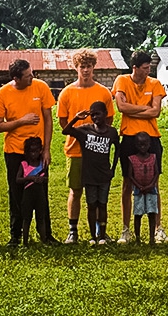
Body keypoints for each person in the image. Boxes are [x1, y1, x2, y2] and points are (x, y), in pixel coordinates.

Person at [0, 58, 55, 247]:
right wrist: (22, 121)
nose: (32, 78)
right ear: (16, 78)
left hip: (37, 153)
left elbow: (48, 120)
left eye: (32, 73)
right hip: (15, 152)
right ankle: (16, 236)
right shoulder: (2, 94)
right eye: (28, 76)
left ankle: (46, 235)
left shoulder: (41, 87)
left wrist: (47, 149)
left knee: (41, 192)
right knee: (16, 193)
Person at [56, 49, 115, 244]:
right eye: (83, 67)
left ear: (94, 68)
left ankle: (99, 231)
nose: (86, 70)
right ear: (76, 68)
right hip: (75, 150)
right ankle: (73, 230)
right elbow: (63, 122)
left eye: (89, 66)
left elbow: (110, 120)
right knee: (75, 190)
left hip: (97, 151)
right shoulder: (67, 92)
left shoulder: (103, 92)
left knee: (98, 192)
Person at [112, 51, 168, 243]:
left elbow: (156, 111)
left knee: (154, 183)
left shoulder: (155, 84)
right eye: (145, 68)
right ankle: (126, 230)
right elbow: (121, 107)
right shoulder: (121, 80)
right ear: (134, 67)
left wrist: (134, 109)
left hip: (151, 137)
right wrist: (145, 109)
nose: (148, 71)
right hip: (129, 137)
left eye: (149, 68)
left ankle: (157, 229)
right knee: (127, 182)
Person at [61, 102, 122, 245]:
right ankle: (92, 237)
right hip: (89, 175)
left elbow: (117, 149)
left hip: (104, 175)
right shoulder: (85, 130)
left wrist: (112, 169)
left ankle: (102, 235)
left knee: (103, 204)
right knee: (91, 204)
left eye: (98, 114)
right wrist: (76, 118)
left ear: (105, 114)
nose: (95, 117)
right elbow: (66, 131)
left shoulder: (111, 132)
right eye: (92, 114)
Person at [15, 137, 54, 245]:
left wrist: (42, 179)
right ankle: (25, 242)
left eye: (36, 151)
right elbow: (18, 180)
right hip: (27, 195)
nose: (33, 154)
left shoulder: (43, 164)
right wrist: (30, 178)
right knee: (26, 219)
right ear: (27, 152)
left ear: (40, 151)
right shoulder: (24, 164)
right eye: (31, 151)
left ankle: (43, 239)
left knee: (40, 217)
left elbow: (46, 178)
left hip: (39, 194)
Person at [128, 135, 161, 245]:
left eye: (145, 144)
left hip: (151, 190)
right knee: (138, 214)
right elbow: (130, 175)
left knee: (152, 213)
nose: (143, 147)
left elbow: (157, 172)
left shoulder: (153, 157)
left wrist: (151, 185)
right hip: (138, 191)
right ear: (136, 145)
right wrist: (139, 186)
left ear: (149, 145)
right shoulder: (132, 159)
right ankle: (137, 239)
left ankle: (152, 238)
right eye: (140, 145)